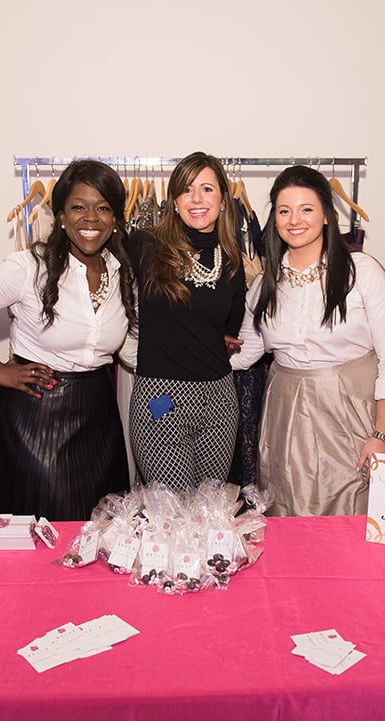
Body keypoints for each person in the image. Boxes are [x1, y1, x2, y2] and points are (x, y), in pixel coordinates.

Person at [0, 159, 135, 520]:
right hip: (38, 415)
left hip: (99, 415)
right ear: (60, 214)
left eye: (103, 208)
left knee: (100, 528)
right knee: (47, 526)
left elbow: (133, 344)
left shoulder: (121, 271)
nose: (90, 218)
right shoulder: (29, 268)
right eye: (78, 207)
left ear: (115, 218)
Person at [230, 165, 385, 516]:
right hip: (288, 417)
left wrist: (382, 435)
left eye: (306, 209)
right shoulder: (264, 286)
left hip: (356, 414)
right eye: (284, 211)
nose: (294, 220)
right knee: (294, 513)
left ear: (327, 216)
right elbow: (245, 353)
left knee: (358, 511)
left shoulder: (362, 272)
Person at [126, 152, 245, 490]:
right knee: (173, 514)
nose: (196, 199)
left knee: (210, 513)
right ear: (174, 200)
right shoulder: (145, 246)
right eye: (186, 189)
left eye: (207, 189)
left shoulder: (233, 259)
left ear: (223, 199)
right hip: (160, 399)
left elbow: (229, 331)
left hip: (219, 400)